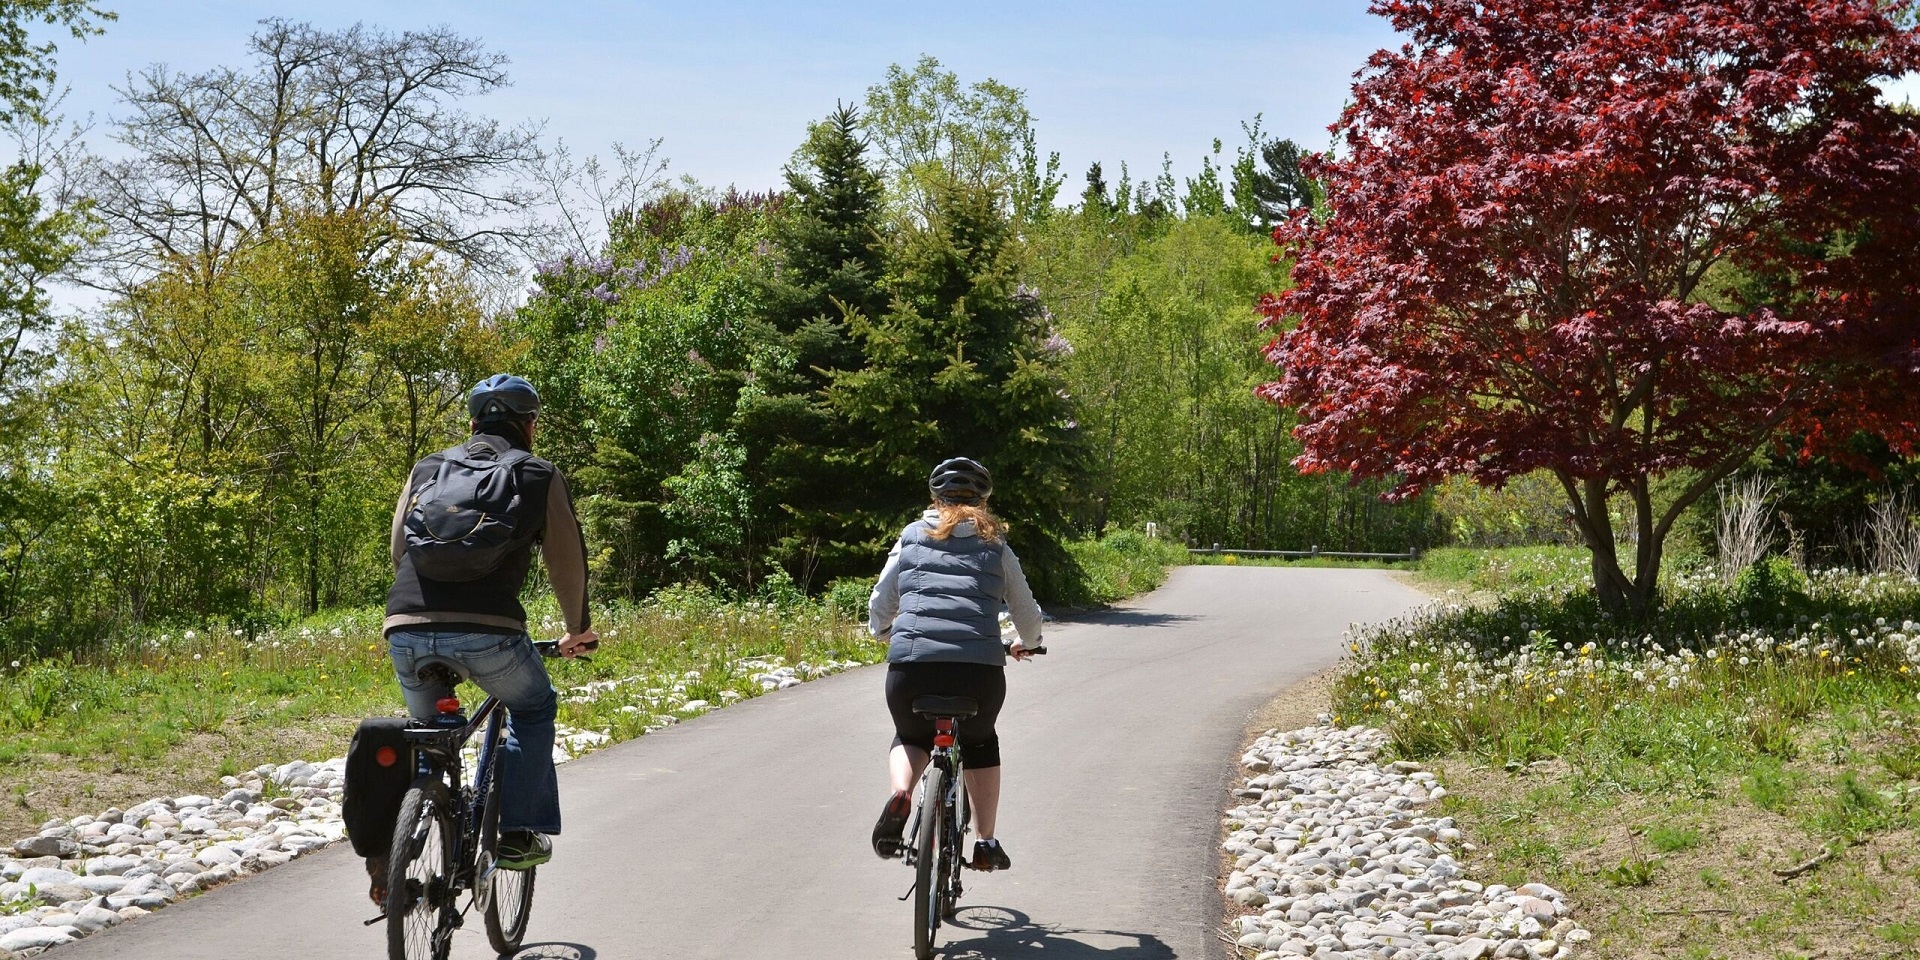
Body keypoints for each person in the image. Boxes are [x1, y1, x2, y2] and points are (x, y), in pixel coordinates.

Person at [376, 374, 598, 895]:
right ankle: (518, 833)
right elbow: (566, 561)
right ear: (530, 425)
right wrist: (577, 629)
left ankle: (415, 825)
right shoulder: (537, 473)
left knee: (430, 735)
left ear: (474, 423)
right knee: (533, 705)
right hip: (491, 633)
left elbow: (399, 550)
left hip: (405, 627)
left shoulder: (428, 468)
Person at [867, 457, 1044, 872]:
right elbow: (1026, 610)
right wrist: (1029, 642)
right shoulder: (995, 544)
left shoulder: (911, 536)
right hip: (977, 673)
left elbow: (881, 601)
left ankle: (901, 793)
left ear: (936, 499)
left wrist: (883, 632)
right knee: (980, 743)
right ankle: (985, 842)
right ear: (983, 502)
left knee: (911, 735)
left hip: (912, 668)